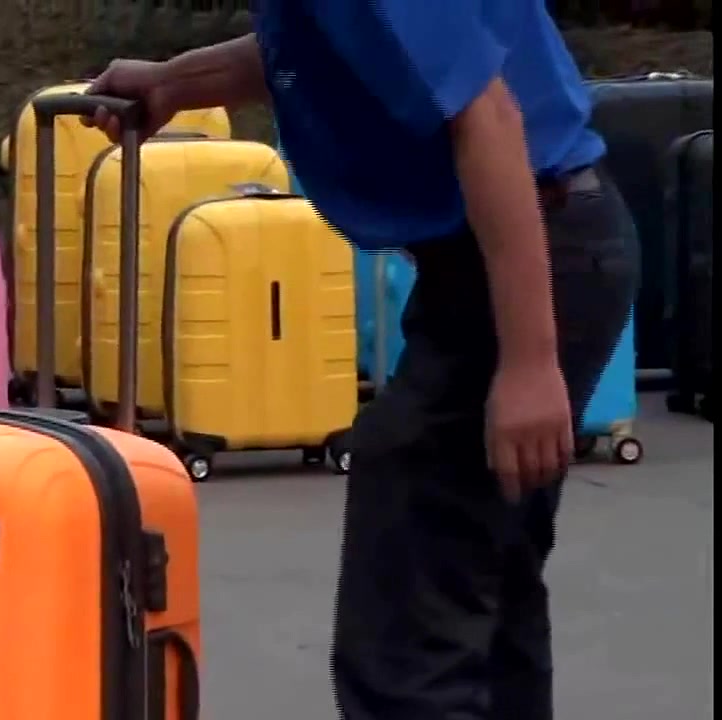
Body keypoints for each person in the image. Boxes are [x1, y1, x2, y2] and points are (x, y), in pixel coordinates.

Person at [82, 2, 638, 719]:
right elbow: (315, 47)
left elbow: (489, 115)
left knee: (412, 611)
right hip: (521, 249)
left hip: (534, 247)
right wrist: (174, 82)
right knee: (481, 584)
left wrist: (529, 361)